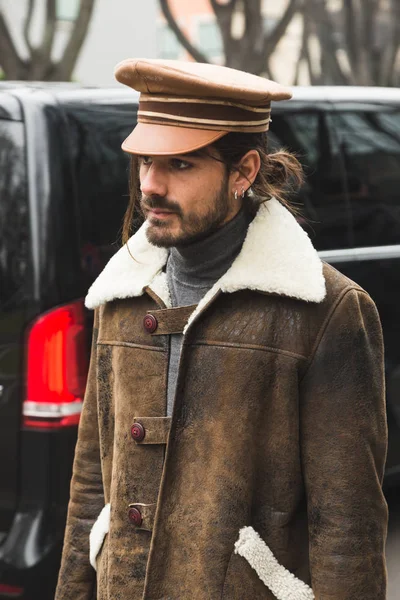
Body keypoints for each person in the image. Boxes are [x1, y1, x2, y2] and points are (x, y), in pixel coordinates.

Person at [55, 59, 388, 600]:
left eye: (179, 165)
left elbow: (347, 526)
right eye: (144, 162)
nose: (150, 185)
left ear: (244, 171)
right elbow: (92, 483)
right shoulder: (120, 294)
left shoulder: (327, 311)